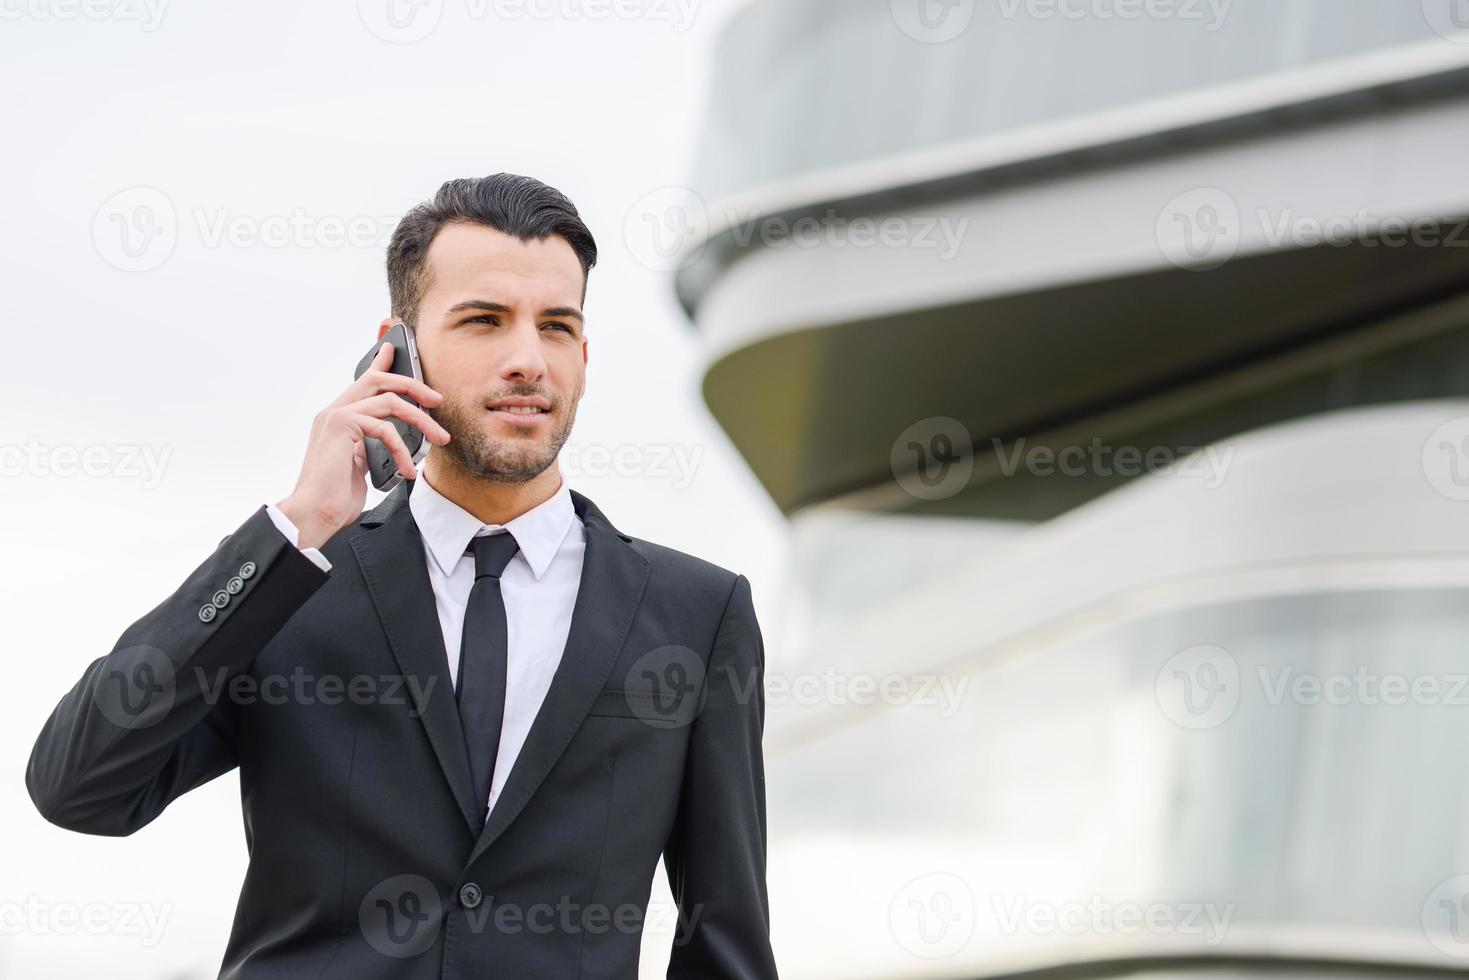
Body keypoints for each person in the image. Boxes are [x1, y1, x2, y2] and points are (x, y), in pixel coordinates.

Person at [27, 173, 779, 979]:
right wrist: (294, 527)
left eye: (556, 327)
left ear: (584, 356)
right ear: (397, 349)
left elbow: (724, 940)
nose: (528, 360)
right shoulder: (289, 586)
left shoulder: (698, 615)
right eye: (484, 321)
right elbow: (80, 787)